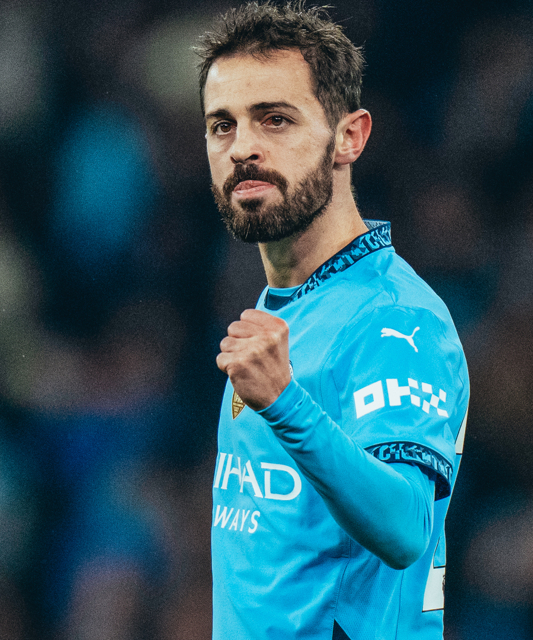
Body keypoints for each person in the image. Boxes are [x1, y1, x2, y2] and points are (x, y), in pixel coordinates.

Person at [198, 3, 470, 638]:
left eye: (275, 119)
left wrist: (286, 403)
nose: (243, 148)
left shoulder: (394, 320)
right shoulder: (286, 304)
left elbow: (406, 526)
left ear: (350, 136)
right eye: (222, 126)